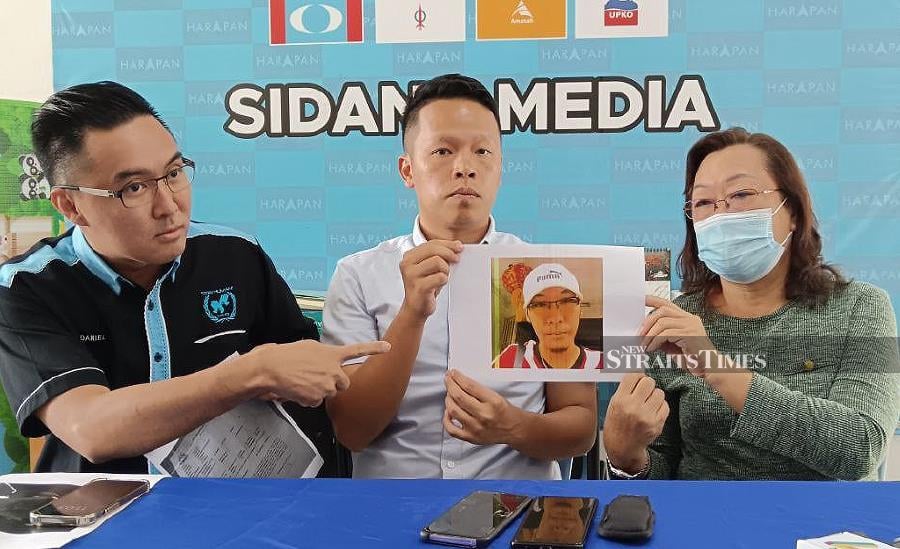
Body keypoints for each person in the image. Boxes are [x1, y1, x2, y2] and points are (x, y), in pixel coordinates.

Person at [0, 81, 388, 474]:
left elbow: (309, 379)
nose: (169, 206)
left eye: (173, 173)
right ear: (71, 205)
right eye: (134, 188)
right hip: (104, 523)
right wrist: (249, 373)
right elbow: (92, 428)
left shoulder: (236, 255)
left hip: (238, 514)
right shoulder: (27, 287)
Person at [322, 73, 597, 479]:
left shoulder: (547, 272)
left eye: (482, 151)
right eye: (442, 151)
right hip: (392, 510)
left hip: (519, 509)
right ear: (407, 170)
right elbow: (352, 431)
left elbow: (581, 429)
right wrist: (412, 314)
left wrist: (512, 426)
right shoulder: (358, 276)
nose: (464, 168)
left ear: (500, 168)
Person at [603, 127, 900, 480]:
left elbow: (861, 449)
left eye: (741, 194)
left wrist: (718, 367)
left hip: (823, 532)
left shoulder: (860, 307)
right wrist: (629, 458)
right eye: (703, 203)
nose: (721, 214)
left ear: (793, 211)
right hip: (704, 524)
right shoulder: (674, 319)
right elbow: (663, 468)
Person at [496, 262, 603, 369]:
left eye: (567, 301)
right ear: (527, 315)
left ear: (580, 309)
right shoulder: (512, 358)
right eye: (539, 304)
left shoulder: (604, 362)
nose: (555, 318)